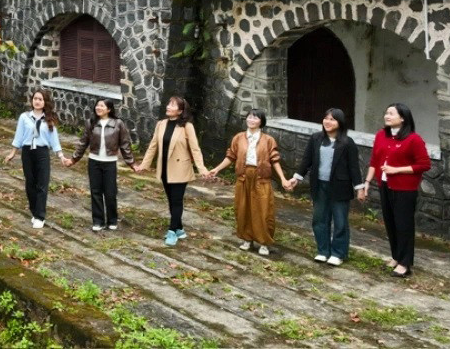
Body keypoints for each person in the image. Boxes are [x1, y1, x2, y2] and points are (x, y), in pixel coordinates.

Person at [284, 108, 364, 265]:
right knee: (320, 219)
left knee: (340, 221)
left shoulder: (347, 143)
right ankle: (323, 251)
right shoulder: (316, 138)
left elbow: (354, 168)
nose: (328, 122)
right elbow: (306, 161)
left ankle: (338, 253)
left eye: (332, 119)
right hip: (319, 185)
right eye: (326, 118)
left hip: (340, 187)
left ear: (340, 123)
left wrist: (359, 188)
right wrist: (296, 178)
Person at [208, 108, 287, 256]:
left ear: (261, 122)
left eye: (255, 118)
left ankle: (264, 242)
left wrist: (283, 179)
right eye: (249, 117)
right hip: (243, 177)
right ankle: (247, 238)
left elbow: (275, 160)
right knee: (243, 208)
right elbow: (231, 156)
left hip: (261, 179)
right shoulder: (238, 138)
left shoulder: (268, 140)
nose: (251, 120)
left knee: (264, 210)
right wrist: (217, 169)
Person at [365, 103, 431, 278]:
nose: (387, 116)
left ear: (402, 118)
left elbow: (424, 165)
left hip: (405, 188)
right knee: (390, 222)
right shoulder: (381, 135)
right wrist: (367, 181)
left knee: (403, 225)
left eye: (391, 114)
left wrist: (396, 170)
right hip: (385, 186)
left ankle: (405, 263)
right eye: (386, 113)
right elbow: (374, 160)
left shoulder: (413, 139)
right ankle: (396, 256)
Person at [136, 96, 210, 246]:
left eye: (173, 105)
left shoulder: (187, 126)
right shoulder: (161, 124)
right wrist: (144, 165)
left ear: (181, 111)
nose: (168, 107)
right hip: (164, 168)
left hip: (180, 168)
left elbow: (195, 149)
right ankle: (180, 229)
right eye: (169, 104)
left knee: (176, 200)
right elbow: (153, 146)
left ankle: (171, 232)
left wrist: (202, 169)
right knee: (171, 200)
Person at [5, 89, 71, 228]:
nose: (37, 101)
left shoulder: (49, 119)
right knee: (30, 183)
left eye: (40, 99)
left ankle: (40, 216)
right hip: (27, 152)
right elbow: (19, 136)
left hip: (42, 153)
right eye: (35, 98)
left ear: (44, 102)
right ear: (32, 100)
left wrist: (61, 156)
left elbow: (54, 140)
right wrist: (13, 153)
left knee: (42, 183)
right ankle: (34, 211)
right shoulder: (24, 117)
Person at [66, 99, 135, 231]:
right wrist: (73, 159)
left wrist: (131, 163)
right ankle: (98, 221)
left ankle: (112, 220)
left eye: (102, 106)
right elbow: (83, 143)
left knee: (110, 192)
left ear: (109, 109)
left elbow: (125, 144)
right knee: (95, 192)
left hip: (110, 163)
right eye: (97, 105)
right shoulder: (90, 123)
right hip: (94, 161)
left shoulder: (118, 123)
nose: (98, 107)